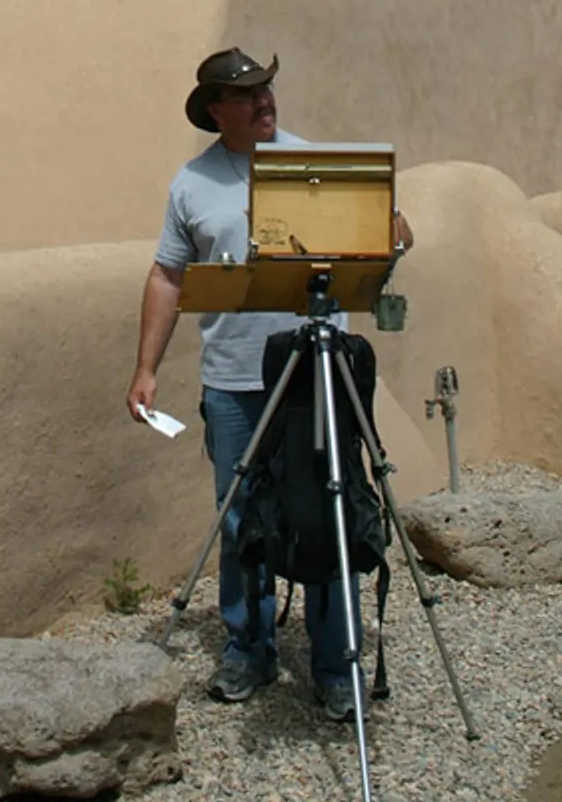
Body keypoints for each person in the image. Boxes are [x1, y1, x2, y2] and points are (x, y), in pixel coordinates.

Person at [126, 46, 412, 724]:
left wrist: (393, 235)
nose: (264, 102)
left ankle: (336, 664)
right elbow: (168, 278)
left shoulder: (316, 166)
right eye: (248, 94)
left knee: (330, 509)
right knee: (241, 515)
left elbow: (379, 246)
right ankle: (248, 648)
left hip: (316, 376)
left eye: (268, 90)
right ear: (215, 110)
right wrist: (145, 368)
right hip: (233, 383)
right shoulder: (192, 184)